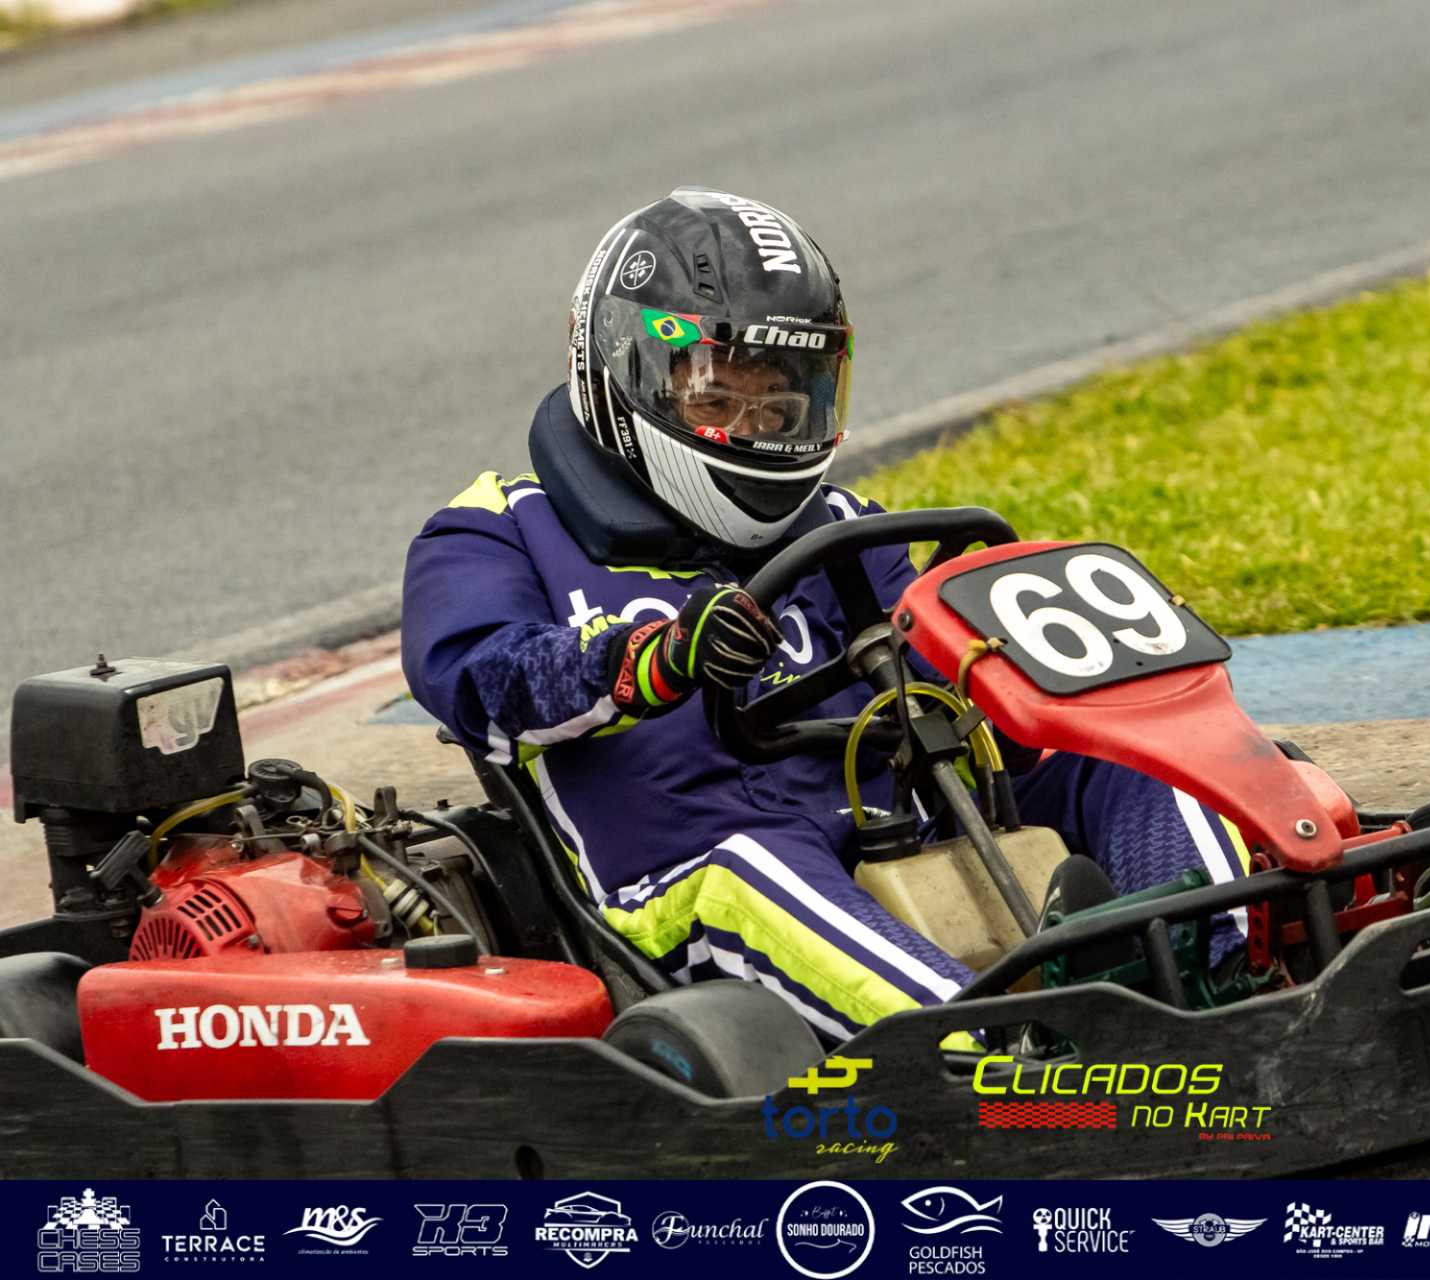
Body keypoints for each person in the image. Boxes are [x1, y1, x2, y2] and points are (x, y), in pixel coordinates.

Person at [402, 187, 1250, 1046]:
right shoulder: (498, 529)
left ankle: (1207, 978)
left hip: (902, 837)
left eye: (778, 409)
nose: (753, 430)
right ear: (625, 369)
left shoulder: (843, 526)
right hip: (690, 883)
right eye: (716, 401)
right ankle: (1011, 1052)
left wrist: (1005, 664)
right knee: (756, 870)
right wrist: (653, 658)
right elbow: (481, 685)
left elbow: (955, 705)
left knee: (1134, 759)